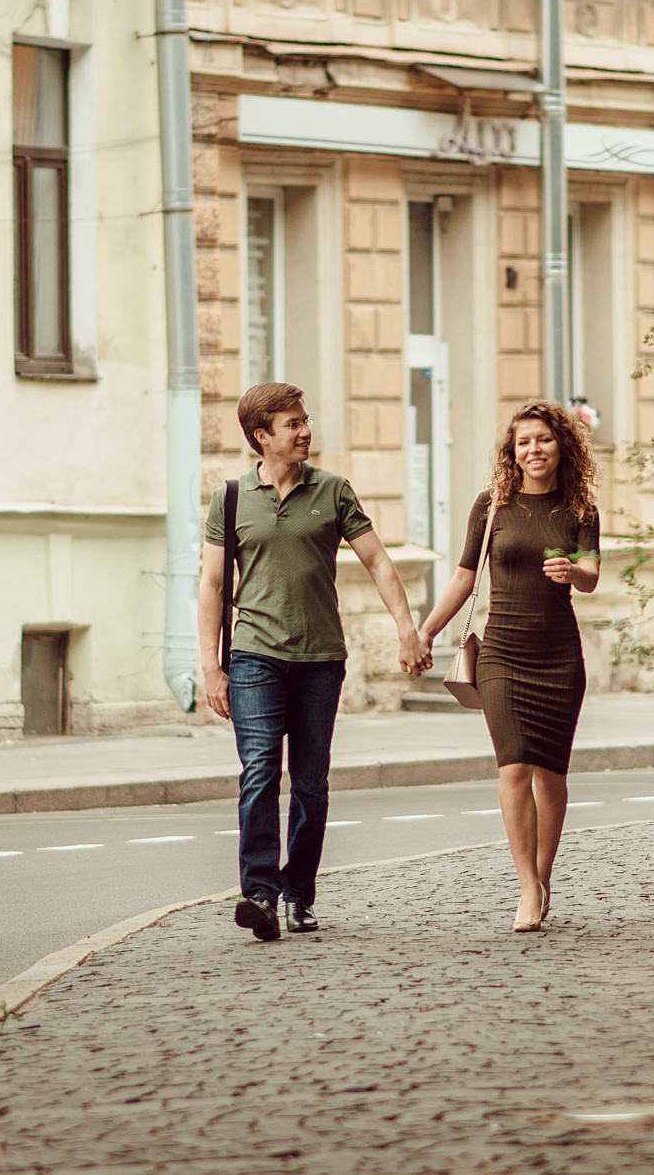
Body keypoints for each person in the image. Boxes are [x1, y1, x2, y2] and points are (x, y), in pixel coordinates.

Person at [197, 382, 427, 942]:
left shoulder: (333, 490)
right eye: (293, 424)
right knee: (259, 771)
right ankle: (259, 894)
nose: (306, 431)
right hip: (253, 655)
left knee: (310, 784)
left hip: (320, 658)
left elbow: (378, 562)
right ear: (262, 436)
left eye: (305, 421)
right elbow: (211, 584)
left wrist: (407, 629)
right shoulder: (231, 498)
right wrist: (210, 666)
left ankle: (299, 894)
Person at [419, 400, 600, 932]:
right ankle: (526, 886)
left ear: (561, 445)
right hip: (502, 653)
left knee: (551, 774)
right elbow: (463, 577)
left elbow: (592, 573)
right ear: (512, 451)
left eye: (543, 439)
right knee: (514, 767)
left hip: (558, 656)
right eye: (524, 442)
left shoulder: (579, 508)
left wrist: (573, 571)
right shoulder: (492, 505)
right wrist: (425, 631)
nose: (533, 449)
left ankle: (543, 877)